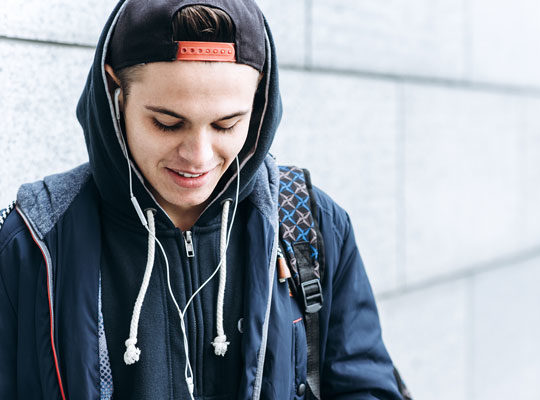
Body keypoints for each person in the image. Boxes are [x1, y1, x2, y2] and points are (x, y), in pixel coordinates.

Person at [0, 0, 407, 399]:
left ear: (259, 106)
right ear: (114, 94)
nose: (198, 156)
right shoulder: (35, 241)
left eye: (226, 125)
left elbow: (365, 386)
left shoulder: (310, 222)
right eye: (167, 123)